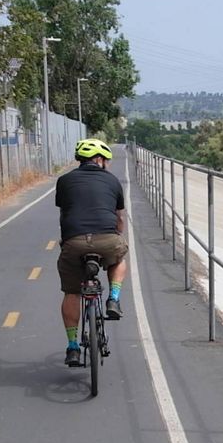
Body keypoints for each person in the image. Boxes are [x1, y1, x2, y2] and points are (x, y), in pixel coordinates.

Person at [55, 138, 128, 367]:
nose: (106, 163)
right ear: (99, 159)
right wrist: (117, 236)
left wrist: (67, 240)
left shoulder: (64, 180)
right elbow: (119, 218)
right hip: (107, 240)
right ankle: (114, 300)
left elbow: (64, 214)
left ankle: (73, 346)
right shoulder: (113, 181)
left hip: (74, 242)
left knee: (71, 293)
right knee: (119, 259)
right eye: (105, 160)